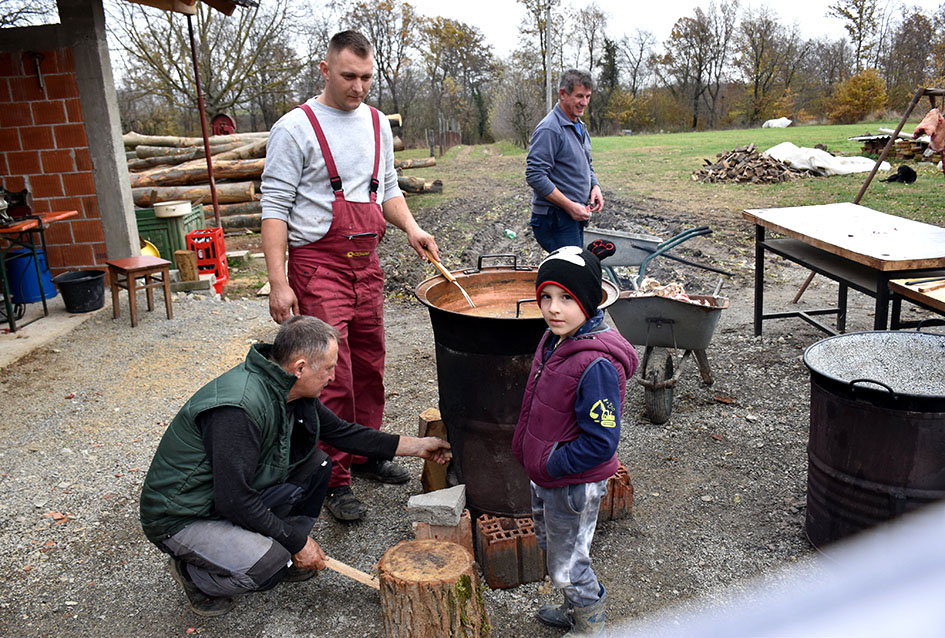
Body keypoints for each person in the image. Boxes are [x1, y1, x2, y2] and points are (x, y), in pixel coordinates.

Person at [139, 315, 451, 617]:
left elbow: (343, 433)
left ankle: (281, 554)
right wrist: (297, 543)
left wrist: (419, 447)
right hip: (183, 515)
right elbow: (234, 500)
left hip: (222, 497)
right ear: (300, 367)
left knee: (317, 465)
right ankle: (195, 575)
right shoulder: (239, 409)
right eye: (328, 368)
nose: (332, 376)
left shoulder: (289, 388)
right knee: (269, 565)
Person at [260, 30, 440, 522]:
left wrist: (412, 228)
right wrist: (279, 282)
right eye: (348, 77)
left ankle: (366, 454)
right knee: (327, 374)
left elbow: (388, 190)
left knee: (370, 362)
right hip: (318, 265)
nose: (358, 87)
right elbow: (274, 209)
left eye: (366, 77)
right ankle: (333, 476)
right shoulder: (295, 128)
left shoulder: (378, 124)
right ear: (325, 70)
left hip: (368, 263)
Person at [512, 240, 638, 637]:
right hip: (549, 475)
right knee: (554, 548)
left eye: (566, 297)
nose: (552, 308)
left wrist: (551, 463)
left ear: (589, 300)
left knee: (568, 564)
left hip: (572, 483)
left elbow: (601, 442)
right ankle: (574, 608)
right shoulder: (555, 339)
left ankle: (590, 626)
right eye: (546, 296)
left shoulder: (596, 363)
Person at [525, 69, 604, 253]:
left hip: (573, 216)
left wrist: (595, 186)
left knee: (571, 274)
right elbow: (535, 175)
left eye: (587, 96)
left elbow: (587, 164)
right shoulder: (550, 129)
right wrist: (570, 206)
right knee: (570, 275)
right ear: (563, 94)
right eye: (579, 96)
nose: (584, 102)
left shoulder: (580, 126)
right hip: (555, 219)